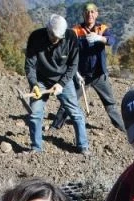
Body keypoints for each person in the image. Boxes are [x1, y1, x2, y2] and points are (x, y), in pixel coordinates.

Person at [51, 2, 125, 132]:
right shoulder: (76, 30)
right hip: (82, 76)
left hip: (99, 75)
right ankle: (55, 126)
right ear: (83, 14)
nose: (89, 14)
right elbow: (67, 49)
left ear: (96, 14)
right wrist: (75, 73)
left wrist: (99, 38)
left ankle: (123, 128)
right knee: (68, 101)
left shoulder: (102, 29)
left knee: (110, 104)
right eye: (87, 12)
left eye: (92, 12)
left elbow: (112, 40)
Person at [24, 14, 89, 154]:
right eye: (53, 36)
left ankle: (83, 146)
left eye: (59, 37)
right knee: (35, 113)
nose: (56, 39)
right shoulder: (36, 37)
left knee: (75, 113)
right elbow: (30, 65)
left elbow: (73, 64)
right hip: (41, 80)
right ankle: (36, 148)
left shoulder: (71, 37)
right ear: (47, 29)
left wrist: (61, 84)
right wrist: (34, 84)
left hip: (63, 79)